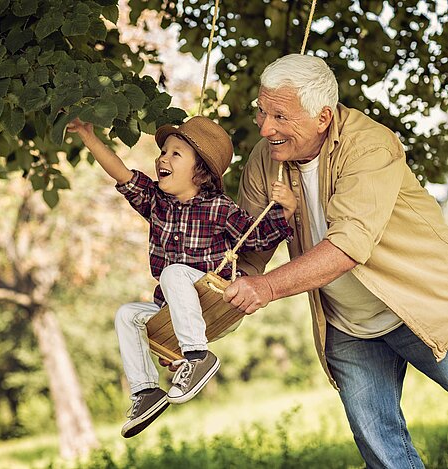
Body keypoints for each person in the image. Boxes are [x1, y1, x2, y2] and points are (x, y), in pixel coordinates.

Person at [222, 53, 448, 467]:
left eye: (279, 116)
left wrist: (269, 287)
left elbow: (348, 244)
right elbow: (248, 257)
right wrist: (190, 328)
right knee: (382, 451)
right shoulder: (265, 159)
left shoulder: (370, 145)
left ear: (322, 117)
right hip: (346, 324)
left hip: (424, 304)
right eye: (261, 111)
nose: (265, 127)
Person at [67, 115, 296, 438]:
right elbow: (122, 174)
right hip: (177, 312)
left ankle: (198, 357)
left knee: (173, 273)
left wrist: (285, 208)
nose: (163, 158)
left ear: (200, 172)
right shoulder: (156, 203)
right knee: (127, 314)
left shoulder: (218, 207)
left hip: (216, 301)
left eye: (176, 153)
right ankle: (146, 392)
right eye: (164, 152)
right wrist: (90, 137)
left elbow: (255, 238)